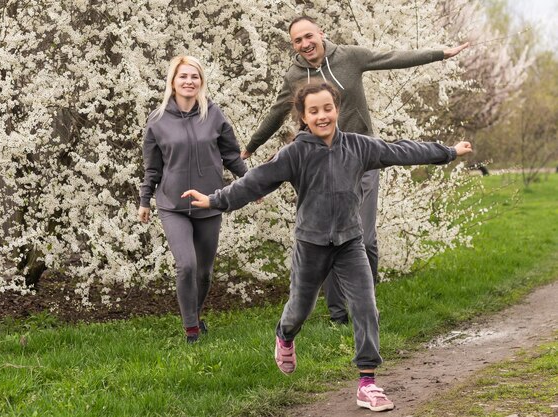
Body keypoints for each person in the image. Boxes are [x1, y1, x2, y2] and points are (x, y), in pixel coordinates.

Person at [183, 83, 472, 411]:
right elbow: (255, 181)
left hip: (350, 242)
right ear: (304, 117)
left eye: (327, 109)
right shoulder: (296, 153)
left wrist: (448, 152)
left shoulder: (359, 147)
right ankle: (285, 335)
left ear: (337, 109)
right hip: (311, 245)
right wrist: (214, 200)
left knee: (365, 307)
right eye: (314, 111)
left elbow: (402, 151)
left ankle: (367, 382)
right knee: (299, 310)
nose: (322, 116)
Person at [241, 15, 470, 324]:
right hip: (318, 165)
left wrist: (439, 53)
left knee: (365, 239)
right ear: (293, 45)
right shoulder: (295, 75)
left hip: (360, 157)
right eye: (298, 40)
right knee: (330, 239)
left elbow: (393, 58)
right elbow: (278, 111)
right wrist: (251, 146)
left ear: (320, 34)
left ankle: (365, 303)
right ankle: (338, 315)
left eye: (309, 36)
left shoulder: (350, 56)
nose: (305, 44)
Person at [138, 55, 247, 344]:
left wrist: (251, 185)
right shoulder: (158, 120)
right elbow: (152, 167)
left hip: (209, 202)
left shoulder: (213, 114)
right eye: (183, 76)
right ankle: (191, 330)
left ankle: (195, 315)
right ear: (173, 82)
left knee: (205, 273)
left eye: (194, 77)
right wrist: (145, 200)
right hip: (172, 205)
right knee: (186, 265)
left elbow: (231, 155)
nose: (189, 82)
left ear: (201, 81)